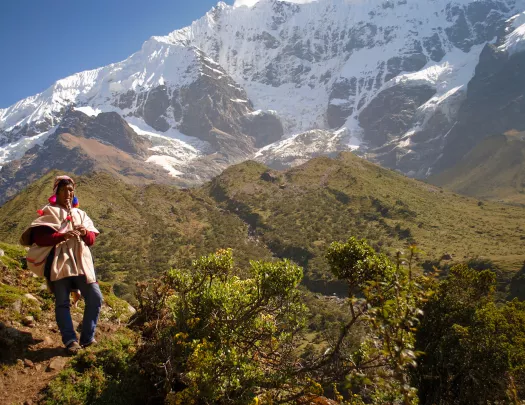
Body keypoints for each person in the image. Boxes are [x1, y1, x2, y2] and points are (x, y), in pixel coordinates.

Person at [21, 175, 102, 354]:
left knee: (95, 297)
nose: (68, 193)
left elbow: (91, 240)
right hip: (59, 262)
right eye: (64, 190)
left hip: (82, 263)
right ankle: (70, 340)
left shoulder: (81, 214)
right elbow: (40, 237)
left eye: (71, 190)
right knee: (62, 302)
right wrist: (62, 236)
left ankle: (88, 338)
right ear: (56, 192)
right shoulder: (49, 212)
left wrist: (84, 232)